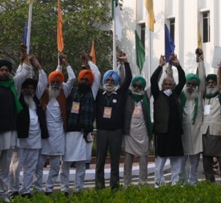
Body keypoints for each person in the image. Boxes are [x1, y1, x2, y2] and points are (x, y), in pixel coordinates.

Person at [0, 55, 31, 201]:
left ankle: (3, 194)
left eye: (7, 70)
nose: (4, 72)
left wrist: (25, 55)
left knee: (5, 165)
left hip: (11, 131)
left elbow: (26, 71)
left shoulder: (12, 85)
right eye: (1, 70)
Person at [60, 52, 100, 195]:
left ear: (90, 81)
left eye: (86, 79)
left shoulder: (93, 92)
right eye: (82, 79)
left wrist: (88, 61)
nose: (83, 81)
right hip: (70, 133)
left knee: (82, 164)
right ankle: (65, 188)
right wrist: (65, 63)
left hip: (84, 134)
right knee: (65, 163)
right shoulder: (72, 90)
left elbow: (97, 74)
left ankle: (78, 189)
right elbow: (69, 79)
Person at [34, 55, 75, 195]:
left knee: (55, 166)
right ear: (50, 82)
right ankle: (38, 188)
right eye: (54, 81)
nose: (56, 83)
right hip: (44, 134)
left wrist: (65, 63)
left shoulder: (65, 92)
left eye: (58, 81)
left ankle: (49, 189)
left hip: (59, 134)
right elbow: (46, 78)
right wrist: (58, 65)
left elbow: (73, 79)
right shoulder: (43, 93)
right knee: (39, 165)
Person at [94, 52, 132, 190]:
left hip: (116, 132)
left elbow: (128, 79)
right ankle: (99, 187)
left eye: (112, 80)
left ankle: (114, 187)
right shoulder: (98, 95)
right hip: (102, 131)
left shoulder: (120, 94)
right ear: (104, 81)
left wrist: (126, 62)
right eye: (107, 80)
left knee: (115, 160)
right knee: (100, 161)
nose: (109, 82)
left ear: (115, 82)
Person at [151, 53, 186, 187]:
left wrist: (178, 65)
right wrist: (160, 66)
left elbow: (182, 80)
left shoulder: (175, 94)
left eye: (170, 84)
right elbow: (153, 80)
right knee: (160, 162)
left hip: (175, 133)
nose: (168, 85)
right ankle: (158, 184)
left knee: (176, 161)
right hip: (162, 133)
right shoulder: (157, 94)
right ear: (162, 85)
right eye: (165, 83)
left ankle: (176, 184)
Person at [17, 75, 49, 198]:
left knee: (30, 168)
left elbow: (43, 81)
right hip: (21, 140)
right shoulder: (19, 100)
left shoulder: (37, 101)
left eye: (32, 88)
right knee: (17, 167)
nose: (29, 90)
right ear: (23, 89)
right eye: (27, 88)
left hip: (35, 140)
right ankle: (14, 190)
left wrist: (39, 68)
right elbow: (18, 81)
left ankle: (26, 191)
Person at [180, 49, 206, 185]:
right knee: (182, 162)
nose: (190, 86)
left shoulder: (199, 96)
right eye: (188, 84)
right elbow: (172, 81)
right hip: (183, 133)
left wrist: (200, 61)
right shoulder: (181, 96)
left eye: (193, 84)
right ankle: (183, 183)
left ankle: (193, 182)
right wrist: (168, 67)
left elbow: (202, 78)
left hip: (196, 134)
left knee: (195, 162)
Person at [201, 67, 221, 183]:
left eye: (213, 82)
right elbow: (200, 78)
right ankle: (209, 183)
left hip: (218, 132)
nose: (211, 84)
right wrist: (200, 62)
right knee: (206, 160)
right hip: (205, 132)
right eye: (209, 82)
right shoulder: (203, 97)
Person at [123, 75, 152, 187]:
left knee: (143, 162)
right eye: (135, 85)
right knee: (128, 162)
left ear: (143, 88)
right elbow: (124, 80)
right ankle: (127, 184)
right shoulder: (128, 96)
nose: (137, 87)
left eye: (140, 86)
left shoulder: (146, 97)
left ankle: (142, 184)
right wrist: (122, 64)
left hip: (143, 135)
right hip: (129, 135)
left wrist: (161, 67)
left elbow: (154, 82)